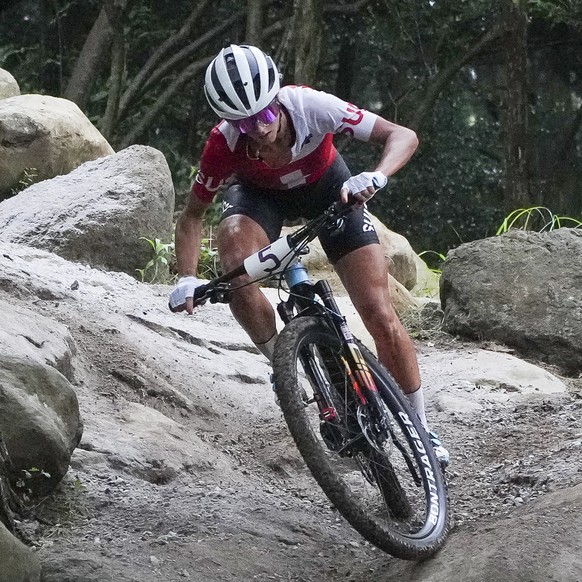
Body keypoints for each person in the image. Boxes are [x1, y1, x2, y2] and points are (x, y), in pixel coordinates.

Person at [169, 44, 448, 466]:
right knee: (233, 262)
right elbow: (192, 217)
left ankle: (420, 428)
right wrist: (186, 277)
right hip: (260, 201)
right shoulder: (223, 143)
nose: (258, 129)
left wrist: (375, 175)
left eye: (264, 115)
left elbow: (402, 135)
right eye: (244, 123)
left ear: (277, 100)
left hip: (327, 188)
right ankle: (287, 363)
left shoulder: (310, 105)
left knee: (378, 312)